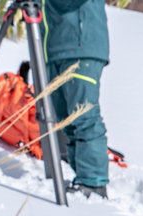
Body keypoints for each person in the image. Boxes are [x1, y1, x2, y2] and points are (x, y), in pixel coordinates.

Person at [43, 0, 111, 198]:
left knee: (84, 114)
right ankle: (82, 177)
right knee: (66, 120)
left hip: (81, 46)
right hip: (53, 50)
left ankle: (94, 182)